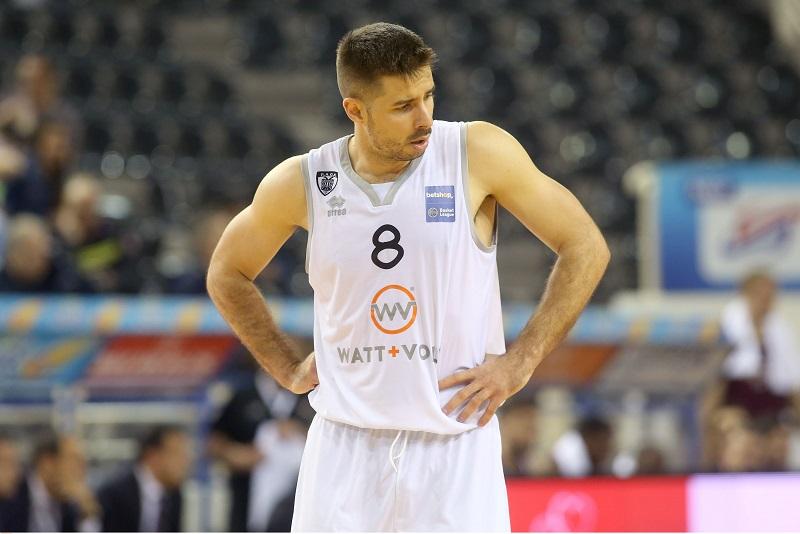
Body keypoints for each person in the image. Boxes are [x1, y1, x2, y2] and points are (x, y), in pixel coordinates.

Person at [207, 23, 609, 531]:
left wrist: (520, 362)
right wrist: (284, 365)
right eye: (402, 106)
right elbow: (227, 273)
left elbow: (586, 246)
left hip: (454, 447)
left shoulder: (476, 152)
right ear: (355, 110)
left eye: (428, 96)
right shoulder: (303, 181)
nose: (424, 118)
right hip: (344, 449)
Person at [208, 365, 314, 532]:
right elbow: (213, 444)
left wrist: (300, 434)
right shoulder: (243, 397)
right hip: (244, 506)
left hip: (295, 510)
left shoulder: (309, 398)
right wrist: (238, 455)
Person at [719, 270, 800, 420]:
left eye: (770, 294)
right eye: (759, 293)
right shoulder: (725, 327)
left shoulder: (782, 331)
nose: (765, 299)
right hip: (738, 398)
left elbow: (791, 378)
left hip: (773, 401)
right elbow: (720, 374)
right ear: (745, 295)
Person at [97, 426, 192, 532]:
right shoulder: (114, 495)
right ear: (153, 455)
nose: (185, 462)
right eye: (177, 454)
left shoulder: (174, 496)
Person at [0, 432, 99, 532]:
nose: (82, 469)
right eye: (74, 460)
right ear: (47, 463)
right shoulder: (10, 492)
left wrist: (86, 513)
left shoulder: (69, 505)